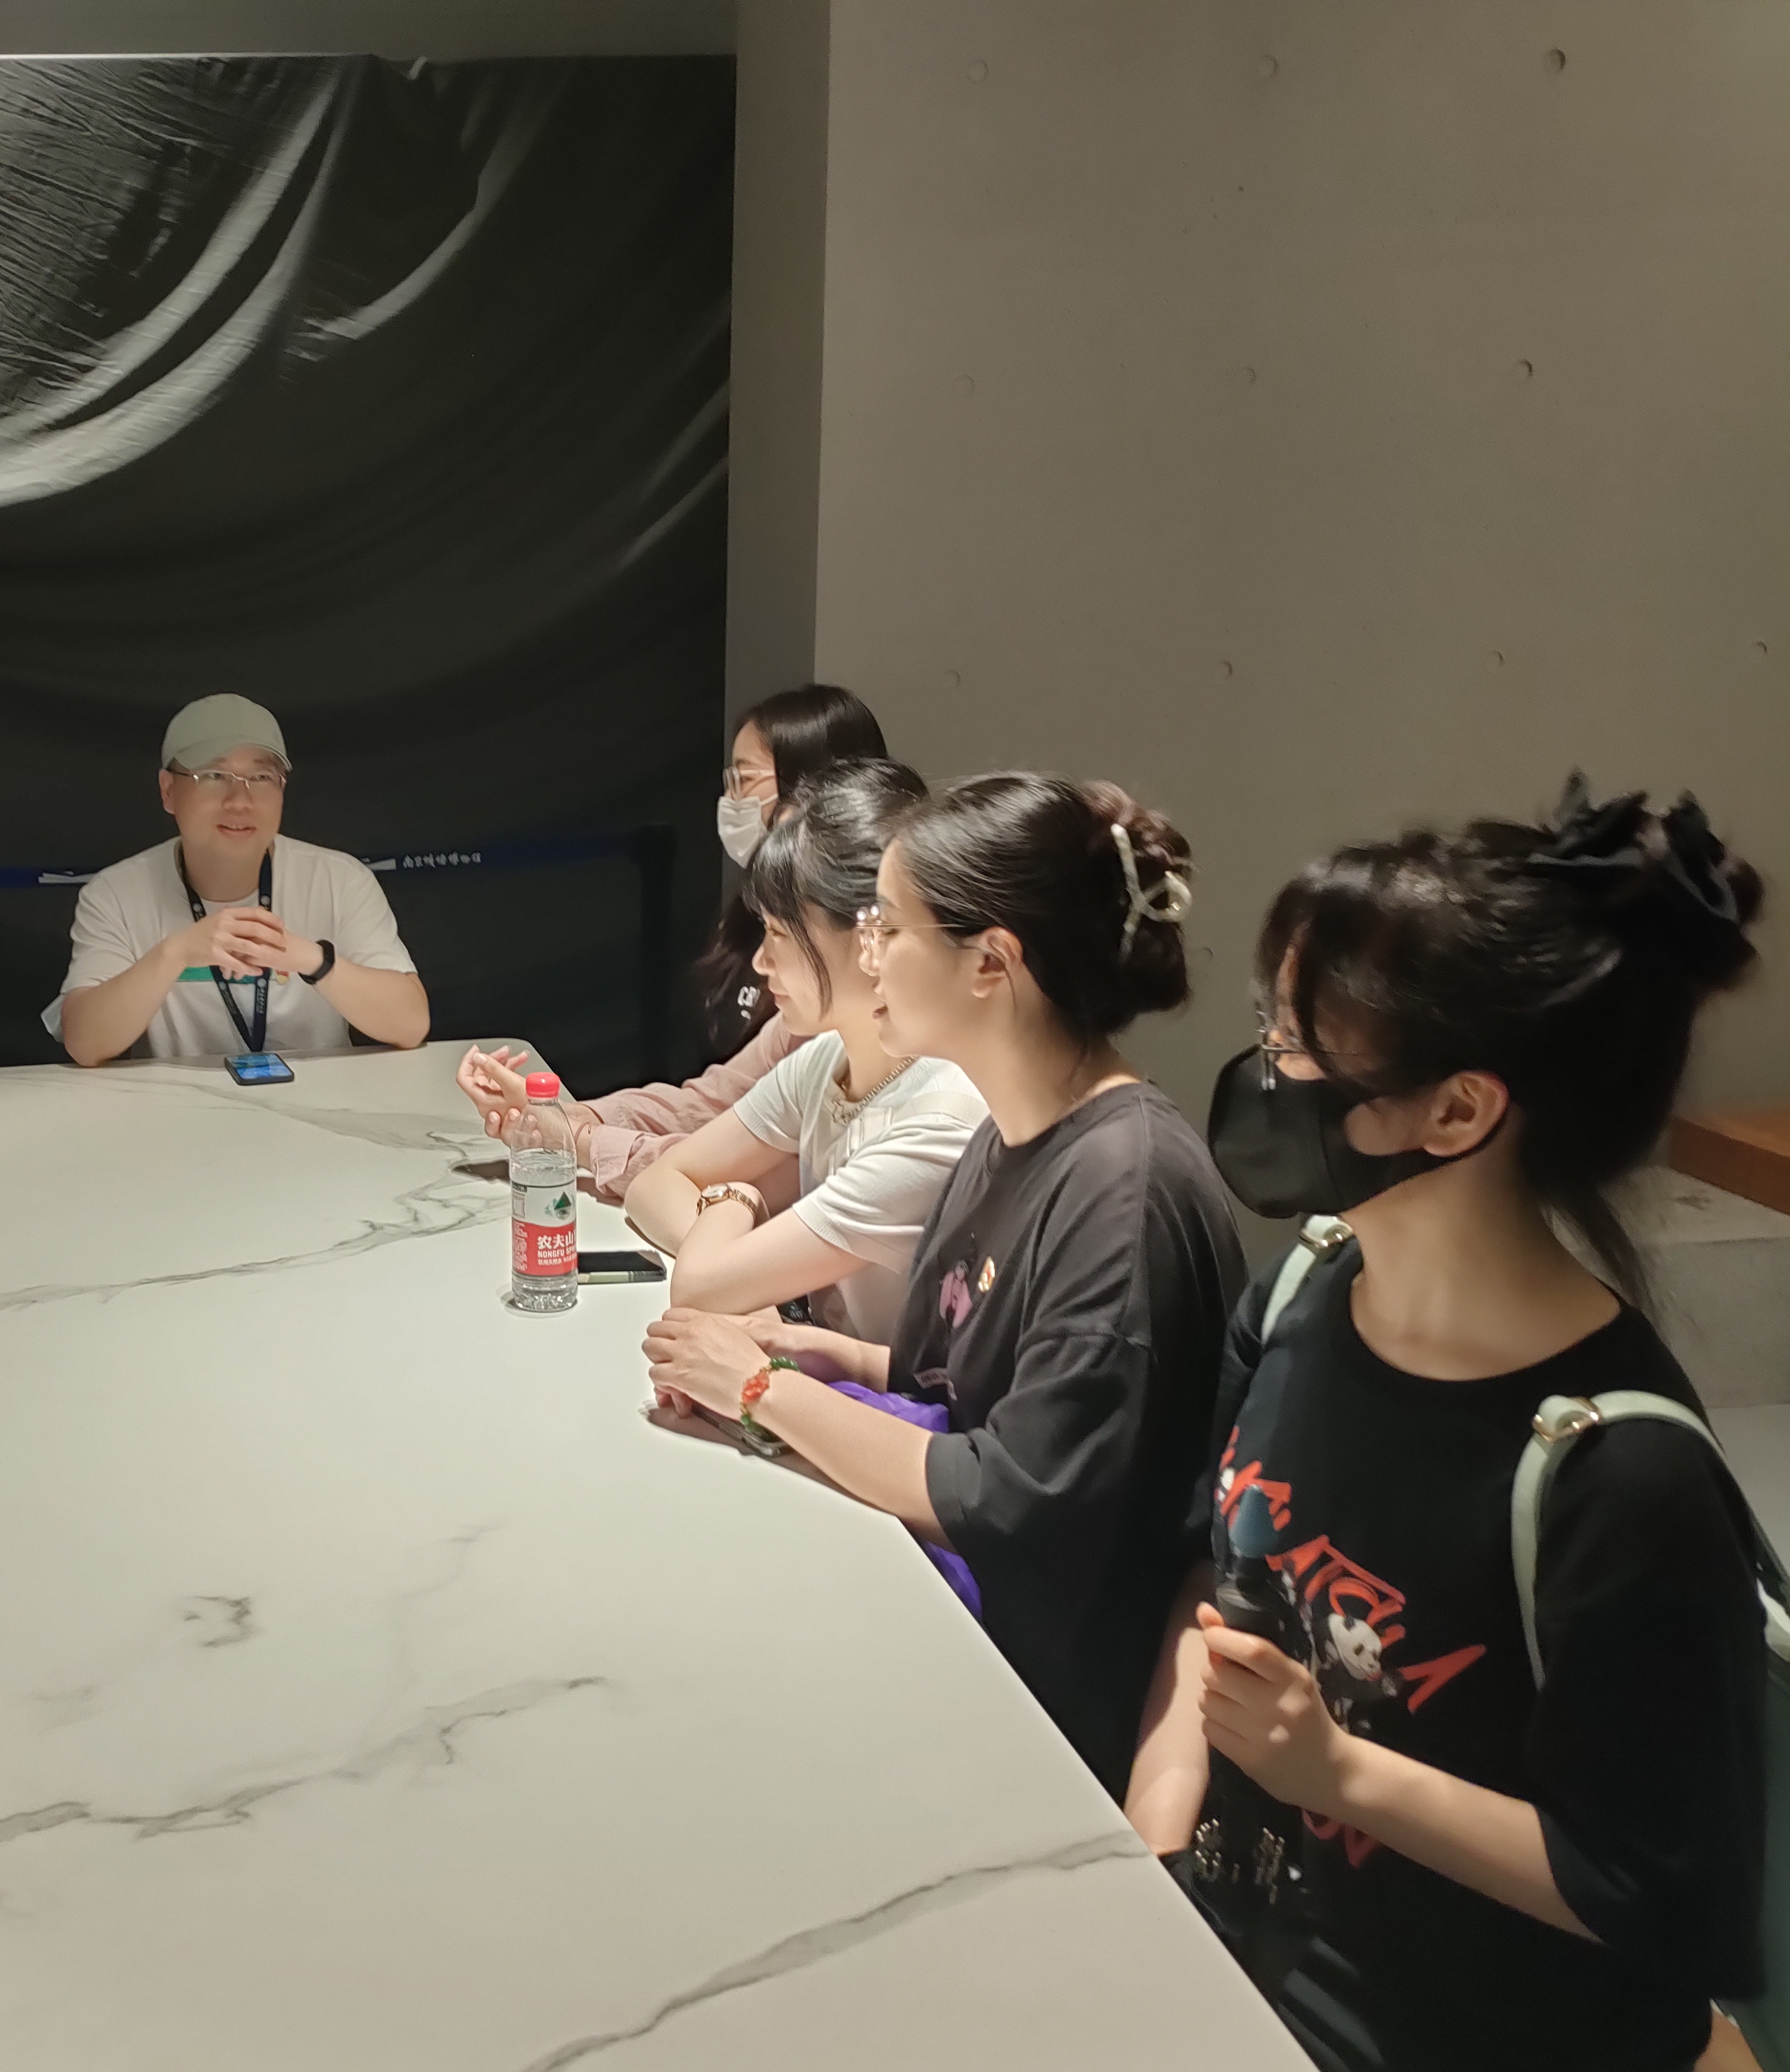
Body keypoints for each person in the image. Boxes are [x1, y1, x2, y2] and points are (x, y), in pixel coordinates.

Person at [1124, 779, 1768, 2072]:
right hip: (1256, 1937)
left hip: (1473, 2062)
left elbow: (1663, 1895)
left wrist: (1337, 1775)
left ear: (1457, 1109)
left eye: (1295, 1045)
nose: (1262, 1075)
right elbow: (1216, 1589)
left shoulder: (1615, 1475)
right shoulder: (1299, 1292)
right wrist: (1157, 1823)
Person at [641, 772, 1245, 1796]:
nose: (866, 953)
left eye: (888, 925)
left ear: (990, 964)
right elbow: (970, 1384)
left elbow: (1010, 1495)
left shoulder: (1122, 1187)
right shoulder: (1014, 1133)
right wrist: (831, 1356)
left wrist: (757, 1389)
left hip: (1043, 1714)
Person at [457, 682, 891, 1203]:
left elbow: (734, 1186)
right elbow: (710, 1106)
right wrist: (559, 1118)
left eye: (780, 932)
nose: (762, 959)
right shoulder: (816, 1053)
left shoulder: (925, 1100)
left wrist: (577, 1138)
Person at [619, 763, 987, 1341]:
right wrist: (736, 1234)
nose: (760, 961)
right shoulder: (829, 1057)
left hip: (885, 1396)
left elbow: (702, 1283)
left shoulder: (942, 1112)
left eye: (779, 934)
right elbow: (654, 1186)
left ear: (867, 936)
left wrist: (733, 1203)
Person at [51, 693, 429, 1065]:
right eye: (214, 776)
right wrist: (176, 953)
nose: (240, 801)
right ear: (168, 791)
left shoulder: (340, 880)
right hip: (176, 1102)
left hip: (319, 1099)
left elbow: (411, 1025)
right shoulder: (116, 893)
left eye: (261, 777)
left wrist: (310, 958)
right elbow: (85, 1043)